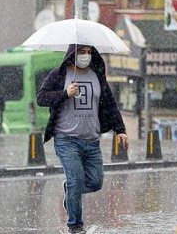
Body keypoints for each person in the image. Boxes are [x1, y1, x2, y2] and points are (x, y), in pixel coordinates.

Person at [37, 44, 128, 234]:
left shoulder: (97, 76)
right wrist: (65, 94)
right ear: (72, 54)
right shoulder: (59, 75)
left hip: (92, 140)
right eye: (81, 52)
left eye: (89, 52)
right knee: (76, 179)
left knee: (95, 182)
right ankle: (75, 226)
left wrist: (121, 130)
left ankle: (71, 189)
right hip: (66, 139)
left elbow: (110, 104)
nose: (86, 56)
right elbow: (42, 98)